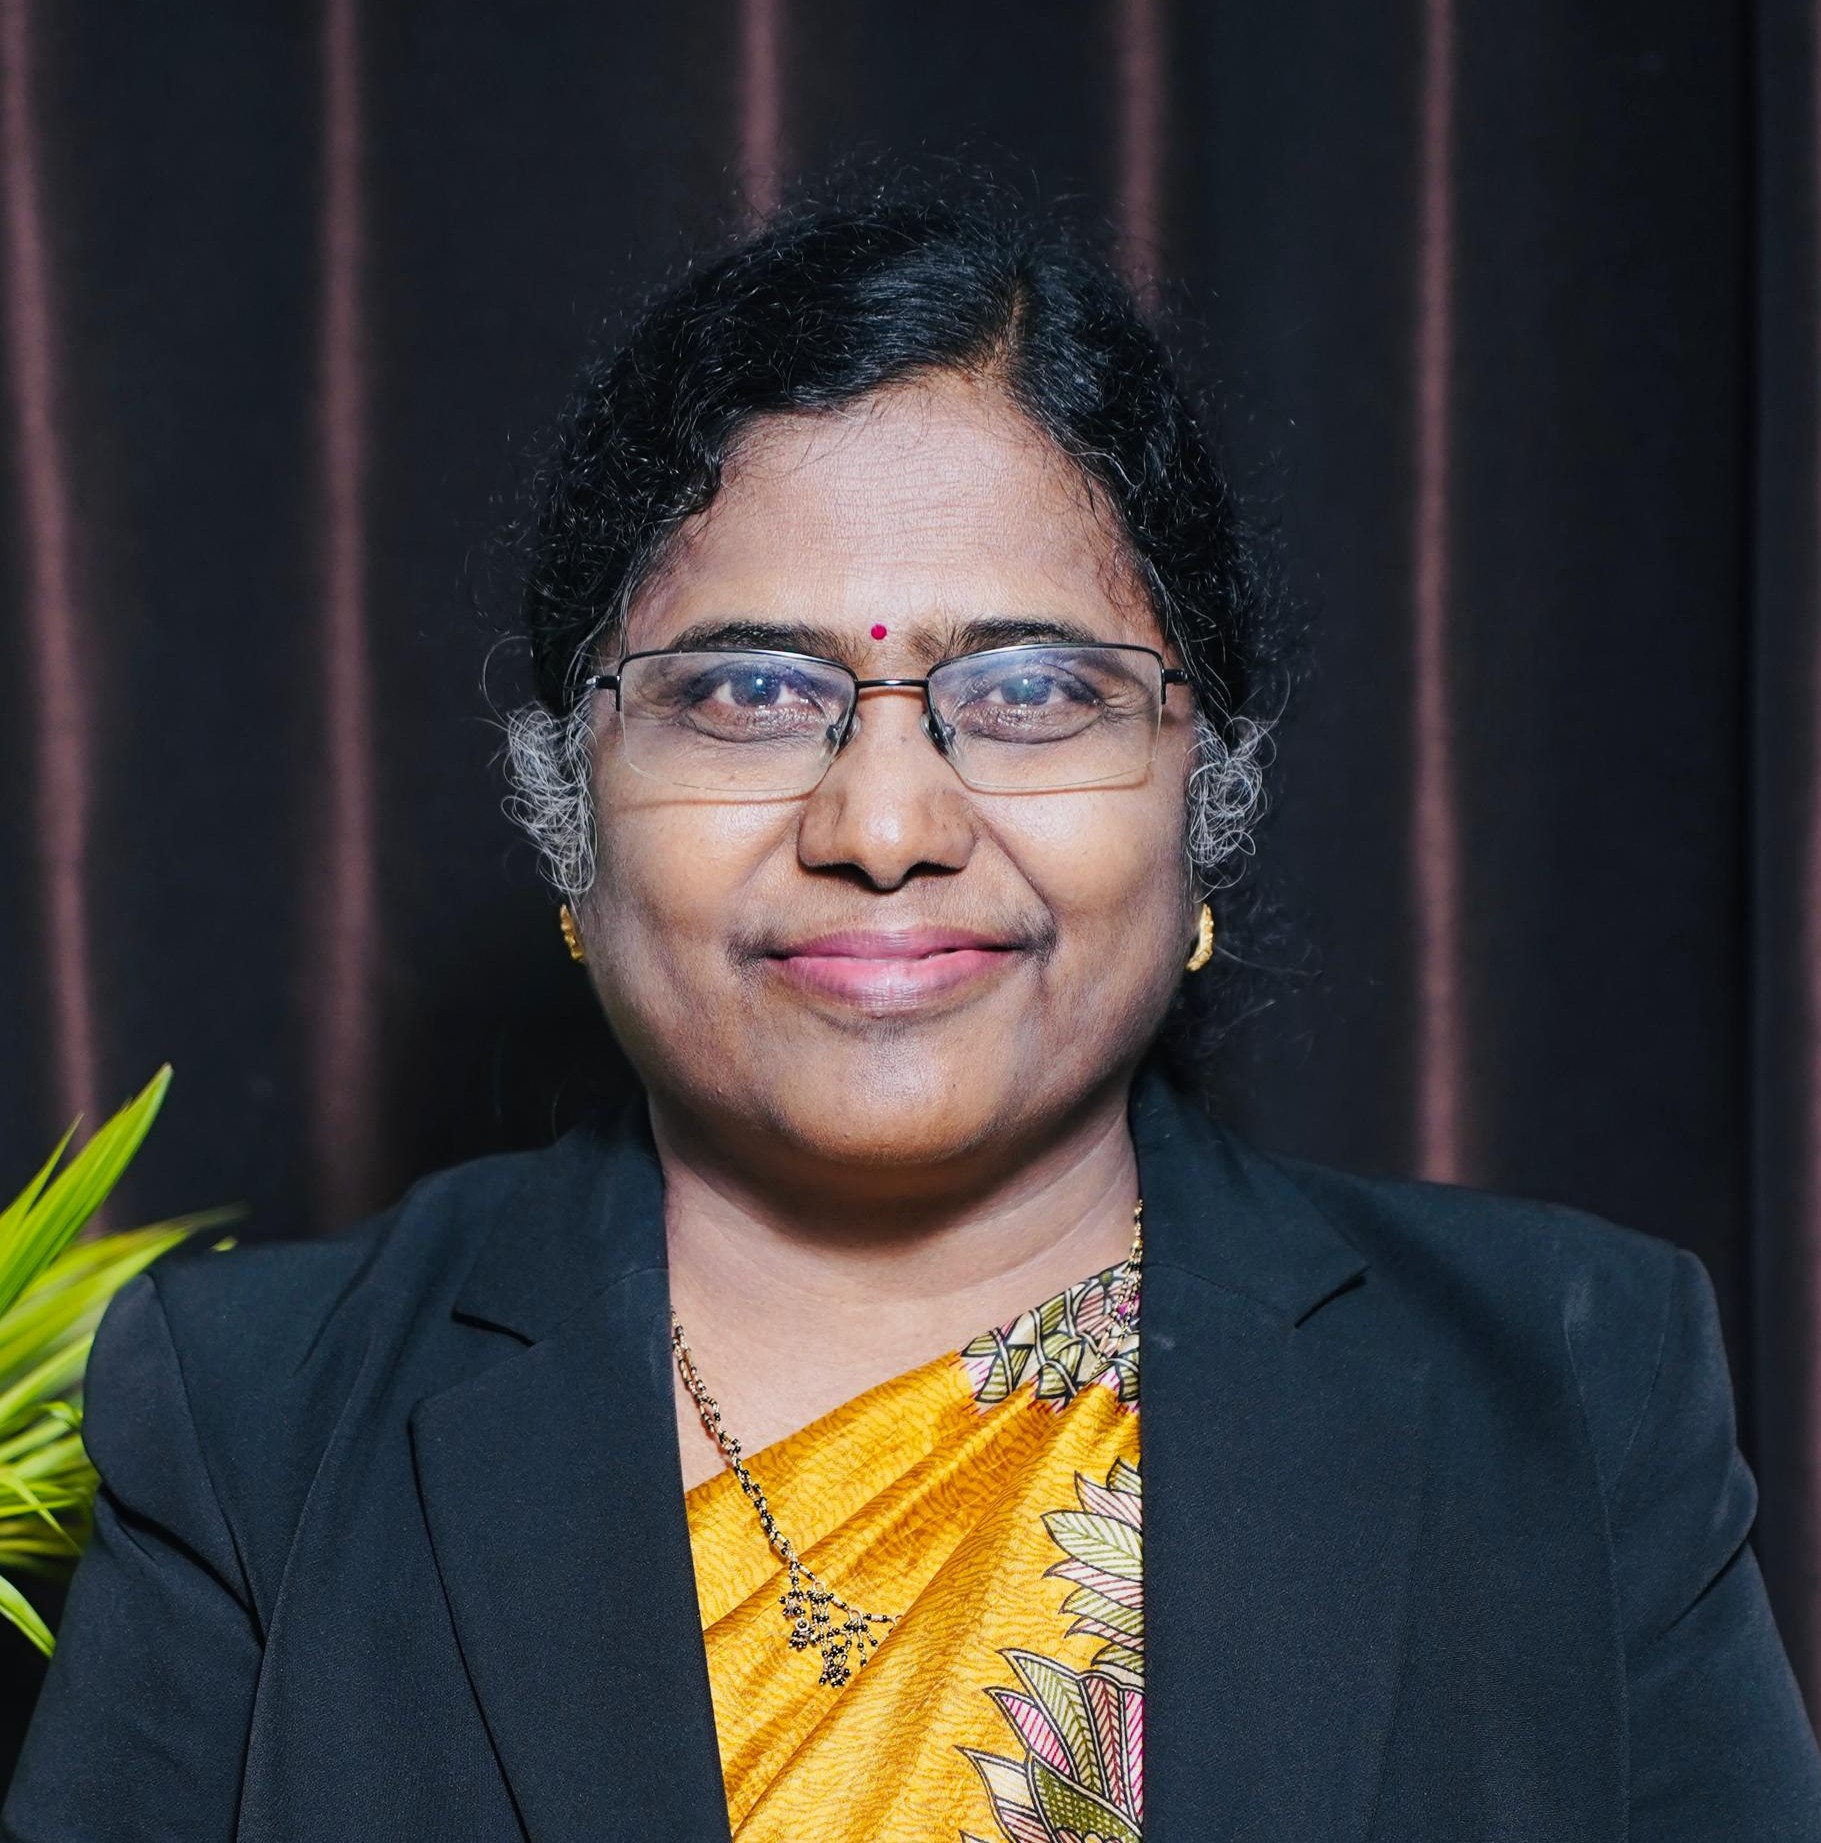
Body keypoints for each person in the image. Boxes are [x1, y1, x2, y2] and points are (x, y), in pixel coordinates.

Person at [7, 184, 1819, 1843]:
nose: (882, 827)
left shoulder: (1563, 1389)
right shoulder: (258, 1423)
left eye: (1033, 691)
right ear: (570, 810)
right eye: (745, 693)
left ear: (1204, 793)